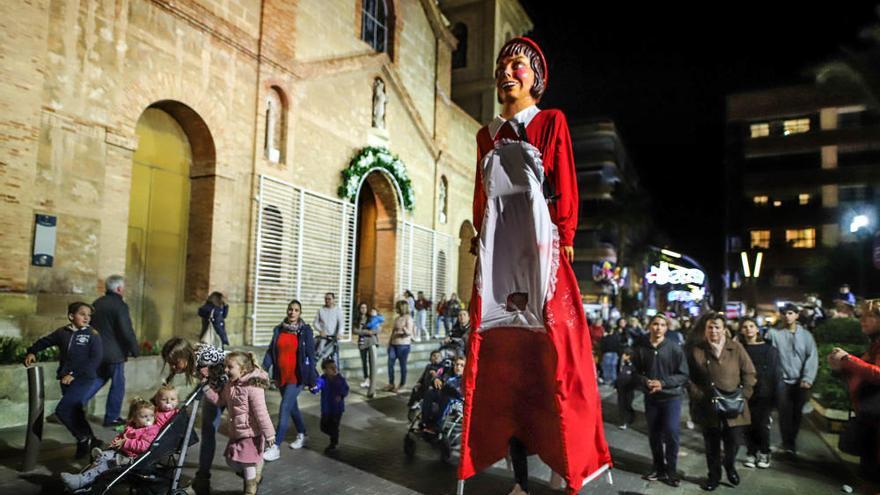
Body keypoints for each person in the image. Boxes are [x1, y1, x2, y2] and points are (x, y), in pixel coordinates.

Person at [460, 36, 611, 495]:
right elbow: (482, 193)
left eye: (517, 65)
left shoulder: (550, 121)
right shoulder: (486, 135)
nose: (507, 73)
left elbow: (563, 178)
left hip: (541, 247)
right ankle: (515, 472)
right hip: (500, 252)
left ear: (537, 78)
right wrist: (480, 238)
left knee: (558, 349)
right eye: (502, 67)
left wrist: (566, 236)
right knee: (500, 354)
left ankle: (569, 460)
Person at [687, 312, 757, 492]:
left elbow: (749, 372)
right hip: (708, 405)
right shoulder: (698, 350)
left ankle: (729, 465)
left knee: (733, 441)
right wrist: (697, 394)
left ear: (724, 329)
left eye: (717, 327)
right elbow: (689, 377)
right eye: (709, 327)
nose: (713, 331)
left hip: (734, 403)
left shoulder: (736, 347)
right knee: (711, 444)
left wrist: (745, 394)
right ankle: (714, 476)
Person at [24, 302, 103, 458]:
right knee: (76, 412)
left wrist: (74, 374)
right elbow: (45, 341)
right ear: (71, 316)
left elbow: (95, 359)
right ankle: (91, 441)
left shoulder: (92, 334)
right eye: (82, 314)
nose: (87, 318)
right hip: (66, 379)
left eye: (89, 315)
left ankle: (82, 438)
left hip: (83, 378)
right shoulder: (62, 332)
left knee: (63, 410)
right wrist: (32, 352)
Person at [160, 337, 227, 492]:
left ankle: (249, 470)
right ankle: (202, 478)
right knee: (208, 431)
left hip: (233, 390)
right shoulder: (191, 361)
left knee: (241, 433)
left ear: (184, 355)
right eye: (170, 363)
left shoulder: (205, 357)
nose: (172, 367)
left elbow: (231, 364)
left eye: (175, 363)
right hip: (214, 390)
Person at [204, 352, 275, 495]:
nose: (226, 370)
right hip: (237, 431)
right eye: (225, 366)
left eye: (230, 367)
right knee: (231, 461)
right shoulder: (230, 385)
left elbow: (261, 412)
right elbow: (220, 401)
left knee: (247, 464)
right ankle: (255, 474)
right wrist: (206, 389)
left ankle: (250, 490)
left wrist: (269, 434)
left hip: (251, 433)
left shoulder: (253, 387)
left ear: (243, 369)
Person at [632, 314, 689, 487]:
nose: (658, 328)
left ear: (667, 328)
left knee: (671, 432)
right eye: (655, 324)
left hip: (671, 397)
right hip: (651, 397)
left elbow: (683, 374)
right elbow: (635, 372)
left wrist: (663, 383)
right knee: (654, 434)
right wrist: (645, 381)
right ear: (650, 326)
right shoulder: (641, 348)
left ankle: (671, 470)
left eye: (662, 325)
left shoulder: (674, 348)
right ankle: (658, 468)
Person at [828, 298, 880, 484]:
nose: (862, 320)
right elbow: (862, 375)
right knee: (868, 473)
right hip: (869, 417)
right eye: (862, 316)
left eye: (869, 316)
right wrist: (839, 368)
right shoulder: (874, 343)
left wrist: (848, 360)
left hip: (875, 419)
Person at [60, 397, 160, 490]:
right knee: (104, 457)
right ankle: (97, 461)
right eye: (144, 416)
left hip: (132, 458)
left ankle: (81, 481)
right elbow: (121, 437)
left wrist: (126, 442)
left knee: (106, 465)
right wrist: (115, 443)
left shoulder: (151, 430)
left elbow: (144, 446)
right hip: (121, 452)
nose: (149, 419)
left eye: (151, 415)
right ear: (134, 418)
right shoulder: (131, 427)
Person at [261, 299, 318, 461]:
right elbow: (271, 351)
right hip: (281, 376)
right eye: (290, 309)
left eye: (296, 310)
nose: (292, 312)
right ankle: (302, 434)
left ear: (300, 313)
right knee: (292, 407)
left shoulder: (305, 331)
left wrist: (312, 379)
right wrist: (263, 368)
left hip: (296, 376)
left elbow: (311, 356)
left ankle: (275, 446)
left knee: (284, 407)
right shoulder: (279, 329)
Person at [87, 274, 139, 427]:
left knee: (98, 380)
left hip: (97, 350)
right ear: (119, 288)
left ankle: (71, 406)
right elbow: (126, 330)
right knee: (118, 384)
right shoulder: (119, 305)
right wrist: (134, 349)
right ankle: (112, 417)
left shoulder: (97, 303)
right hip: (114, 353)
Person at [766, 302, 818, 455]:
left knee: (797, 413)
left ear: (796, 315)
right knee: (784, 412)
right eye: (784, 313)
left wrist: (808, 377)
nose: (787, 316)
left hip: (800, 380)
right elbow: (769, 356)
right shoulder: (774, 333)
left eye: (790, 313)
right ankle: (787, 444)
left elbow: (812, 357)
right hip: (781, 379)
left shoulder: (806, 336)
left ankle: (791, 442)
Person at [738, 317, 781, 469]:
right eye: (745, 327)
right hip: (745, 391)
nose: (748, 329)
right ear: (741, 330)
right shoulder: (739, 349)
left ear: (757, 329)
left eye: (751, 326)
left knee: (762, 424)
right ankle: (751, 452)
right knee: (747, 424)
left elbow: (774, 373)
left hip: (764, 392)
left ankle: (764, 452)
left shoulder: (769, 349)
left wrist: (775, 395)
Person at [421, 356, 465, 432]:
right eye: (457, 364)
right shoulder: (448, 371)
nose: (458, 367)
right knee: (429, 393)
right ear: (454, 364)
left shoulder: (466, 378)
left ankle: (437, 425)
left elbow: (460, 394)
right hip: (443, 394)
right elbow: (438, 378)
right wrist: (436, 379)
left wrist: (448, 387)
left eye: (462, 365)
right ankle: (425, 421)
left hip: (456, 400)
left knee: (446, 399)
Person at [317, 358, 349, 453]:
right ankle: (335, 435)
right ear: (325, 370)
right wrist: (314, 387)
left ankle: (334, 443)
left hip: (337, 409)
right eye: (331, 368)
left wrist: (341, 395)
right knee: (323, 427)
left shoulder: (339, 379)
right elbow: (317, 387)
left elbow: (345, 389)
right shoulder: (322, 379)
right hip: (326, 409)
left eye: (335, 367)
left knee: (334, 426)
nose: (334, 369)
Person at [385, 300, 414, 393]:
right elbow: (393, 332)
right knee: (390, 364)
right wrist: (389, 343)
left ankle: (402, 384)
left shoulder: (408, 318)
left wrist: (403, 329)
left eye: (397, 307)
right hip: (393, 345)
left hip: (403, 345)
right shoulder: (397, 318)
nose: (395, 309)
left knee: (402, 365)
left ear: (402, 308)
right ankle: (391, 383)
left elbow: (409, 332)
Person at [353, 304, 383, 392]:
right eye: (362, 308)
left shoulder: (372, 318)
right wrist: (366, 332)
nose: (363, 309)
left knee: (372, 362)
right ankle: (366, 379)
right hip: (362, 342)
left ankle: (372, 380)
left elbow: (379, 328)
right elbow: (355, 330)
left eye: (365, 307)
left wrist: (371, 332)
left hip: (371, 341)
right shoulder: (357, 319)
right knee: (364, 361)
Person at [313, 292, 344, 363]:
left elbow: (341, 323)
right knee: (319, 354)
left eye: (329, 299)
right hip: (323, 337)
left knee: (333, 358)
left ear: (333, 300)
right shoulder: (321, 310)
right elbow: (315, 323)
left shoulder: (338, 310)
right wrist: (320, 331)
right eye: (326, 299)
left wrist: (339, 333)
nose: (327, 300)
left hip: (333, 338)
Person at [616, 347, 636, 429]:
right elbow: (618, 373)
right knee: (621, 404)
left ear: (629, 356)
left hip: (629, 388)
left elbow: (636, 375)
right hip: (621, 387)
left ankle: (630, 417)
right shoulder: (620, 362)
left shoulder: (633, 365)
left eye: (625, 355)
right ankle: (623, 422)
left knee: (628, 404)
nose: (623, 356)